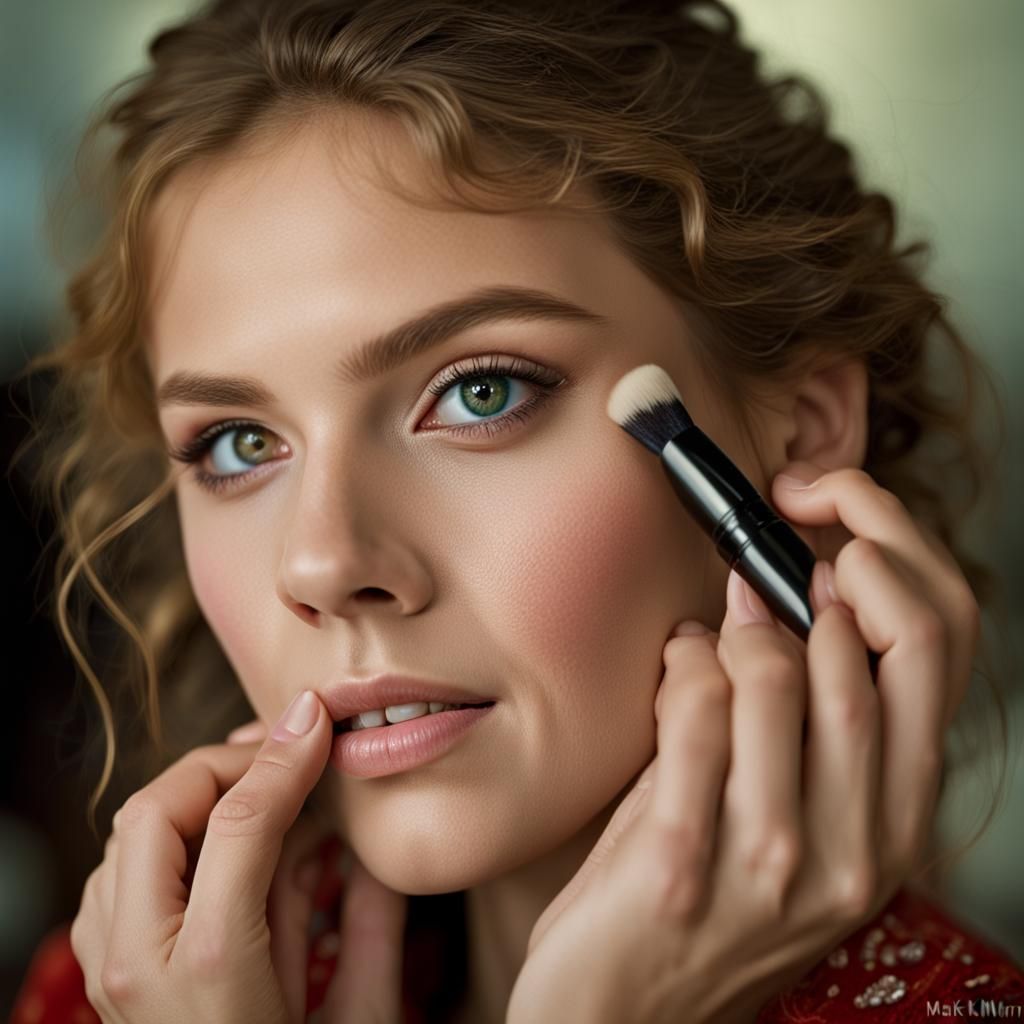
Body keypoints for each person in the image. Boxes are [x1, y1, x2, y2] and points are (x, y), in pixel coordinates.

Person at [10, 0, 1024, 1020]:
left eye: (479, 392)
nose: (321, 562)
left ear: (799, 430)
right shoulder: (131, 991)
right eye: (238, 443)